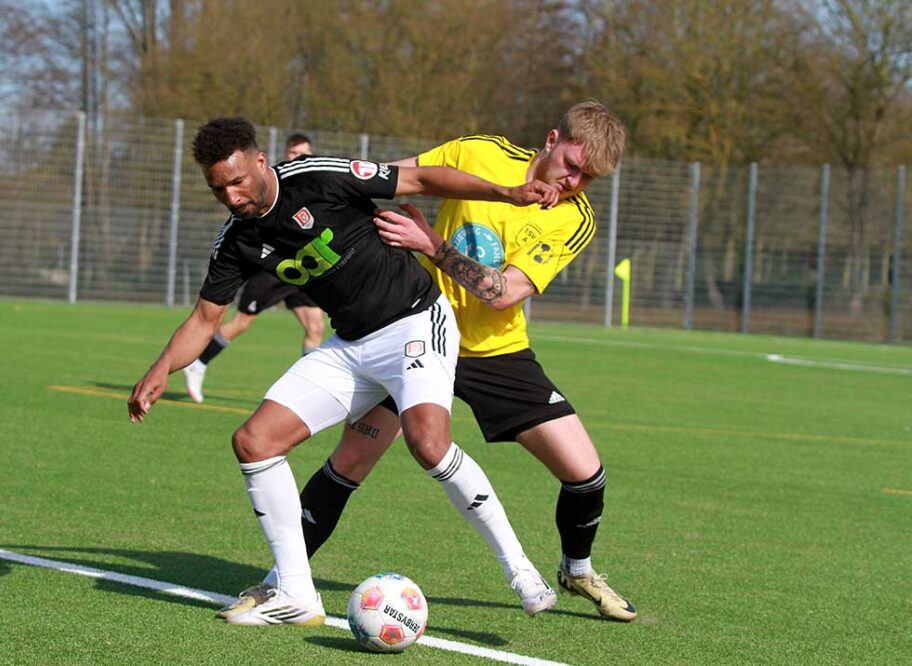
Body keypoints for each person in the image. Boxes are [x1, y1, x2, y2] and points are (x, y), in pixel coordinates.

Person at [128, 116, 561, 626]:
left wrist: (508, 193)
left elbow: (422, 179)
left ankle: (522, 574)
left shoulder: (318, 175)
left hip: (415, 321)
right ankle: (295, 594)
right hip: (351, 346)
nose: (230, 196)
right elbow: (205, 319)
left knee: (428, 444)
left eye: (238, 181)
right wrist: (161, 366)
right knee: (254, 441)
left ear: (261, 161)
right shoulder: (237, 239)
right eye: (218, 188)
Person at [232, 101, 638, 622]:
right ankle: (281, 583)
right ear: (552, 138)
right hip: (411, 327)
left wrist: (433, 245)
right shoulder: (480, 153)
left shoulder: (574, 219)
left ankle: (577, 569)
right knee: (350, 462)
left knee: (585, 473)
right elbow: (397, 178)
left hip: (494, 352)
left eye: (589, 178)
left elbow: (503, 294)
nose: (575, 181)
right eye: (572, 165)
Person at [182, 133, 324, 403]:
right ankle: (198, 362)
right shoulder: (269, 186)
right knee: (243, 321)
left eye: (304, 153)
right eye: (294, 153)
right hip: (274, 271)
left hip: (302, 270)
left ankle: (308, 392)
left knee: (315, 328)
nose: (299, 158)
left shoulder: (311, 183)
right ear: (284, 154)